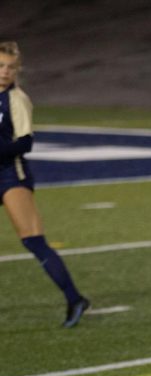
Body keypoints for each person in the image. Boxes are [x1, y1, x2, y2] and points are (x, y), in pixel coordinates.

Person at [0, 41, 90, 327]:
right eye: (0, 66)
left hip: (10, 175)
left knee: (33, 241)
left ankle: (75, 299)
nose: (5, 72)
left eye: (10, 67)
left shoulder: (16, 100)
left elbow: (25, 143)